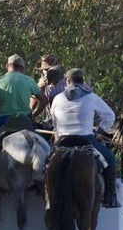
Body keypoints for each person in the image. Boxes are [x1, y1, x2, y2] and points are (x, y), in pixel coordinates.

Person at [48, 68, 119, 208]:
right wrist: (100, 131)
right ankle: (109, 198)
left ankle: (47, 198)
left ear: (68, 81)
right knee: (110, 159)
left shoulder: (57, 98)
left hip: (63, 139)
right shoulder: (91, 96)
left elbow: (54, 121)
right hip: (86, 139)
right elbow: (110, 115)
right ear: (82, 81)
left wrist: (60, 130)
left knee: (46, 164)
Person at [0, 54, 47, 150]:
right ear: (22, 69)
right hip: (25, 119)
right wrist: (34, 115)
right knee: (46, 143)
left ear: (7, 66)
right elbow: (44, 100)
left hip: (4, 119)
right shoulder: (29, 80)